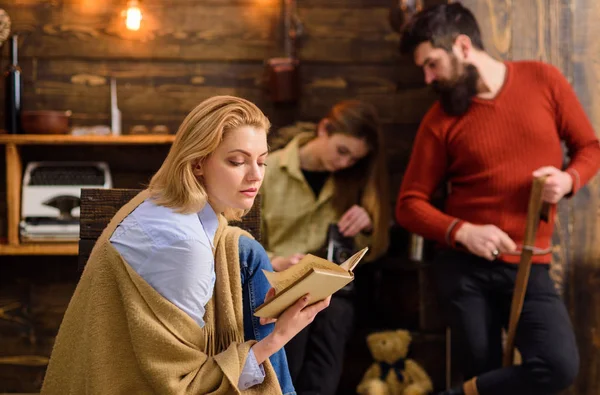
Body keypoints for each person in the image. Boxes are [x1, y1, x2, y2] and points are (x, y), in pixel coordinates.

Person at [41, 96, 331, 395]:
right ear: (197, 163)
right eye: (237, 161)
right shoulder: (183, 246)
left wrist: (274, 275)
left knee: (246, 251)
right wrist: (280, 335)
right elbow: (185, 387)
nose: (256, 176)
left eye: (261, 161)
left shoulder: (163, 201)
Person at [395, 3, 600, 395]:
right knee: (484, 374)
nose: (427, 78)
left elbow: (590, 147)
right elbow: (408, 204)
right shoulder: (440, 118)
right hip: (464, 270)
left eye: (432, 64)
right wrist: (463, 231)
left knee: (558, 365)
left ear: (463, 45)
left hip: (529, 263)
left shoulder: (544, 79)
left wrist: (568, 179)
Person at [260, 100, 391, 395]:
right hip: (278, 284)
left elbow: (377, 248)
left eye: (354, 159)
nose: (344, 163)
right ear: (324, 129)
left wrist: (368, 225)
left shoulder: (354, 181)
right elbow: (242, 239)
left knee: (332, 325)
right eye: (342, 151)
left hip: (333, 291)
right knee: (291, 331)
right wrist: (276, 261)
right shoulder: (270, 170)